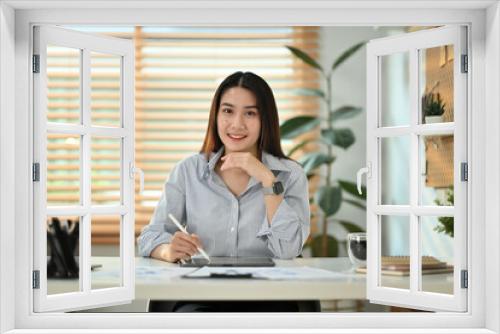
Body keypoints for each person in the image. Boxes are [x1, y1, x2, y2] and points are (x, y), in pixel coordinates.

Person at [137, 71, 311, 312]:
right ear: (215, 116)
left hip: (271, 297)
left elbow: (288, 250)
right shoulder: (188, 171)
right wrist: (168, 250)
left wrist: (265, 178)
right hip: (200, 296)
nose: (237, 124)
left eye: (250, 113)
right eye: (228, 111)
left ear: (265, 120)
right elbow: (149, 237)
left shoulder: (290, 174)